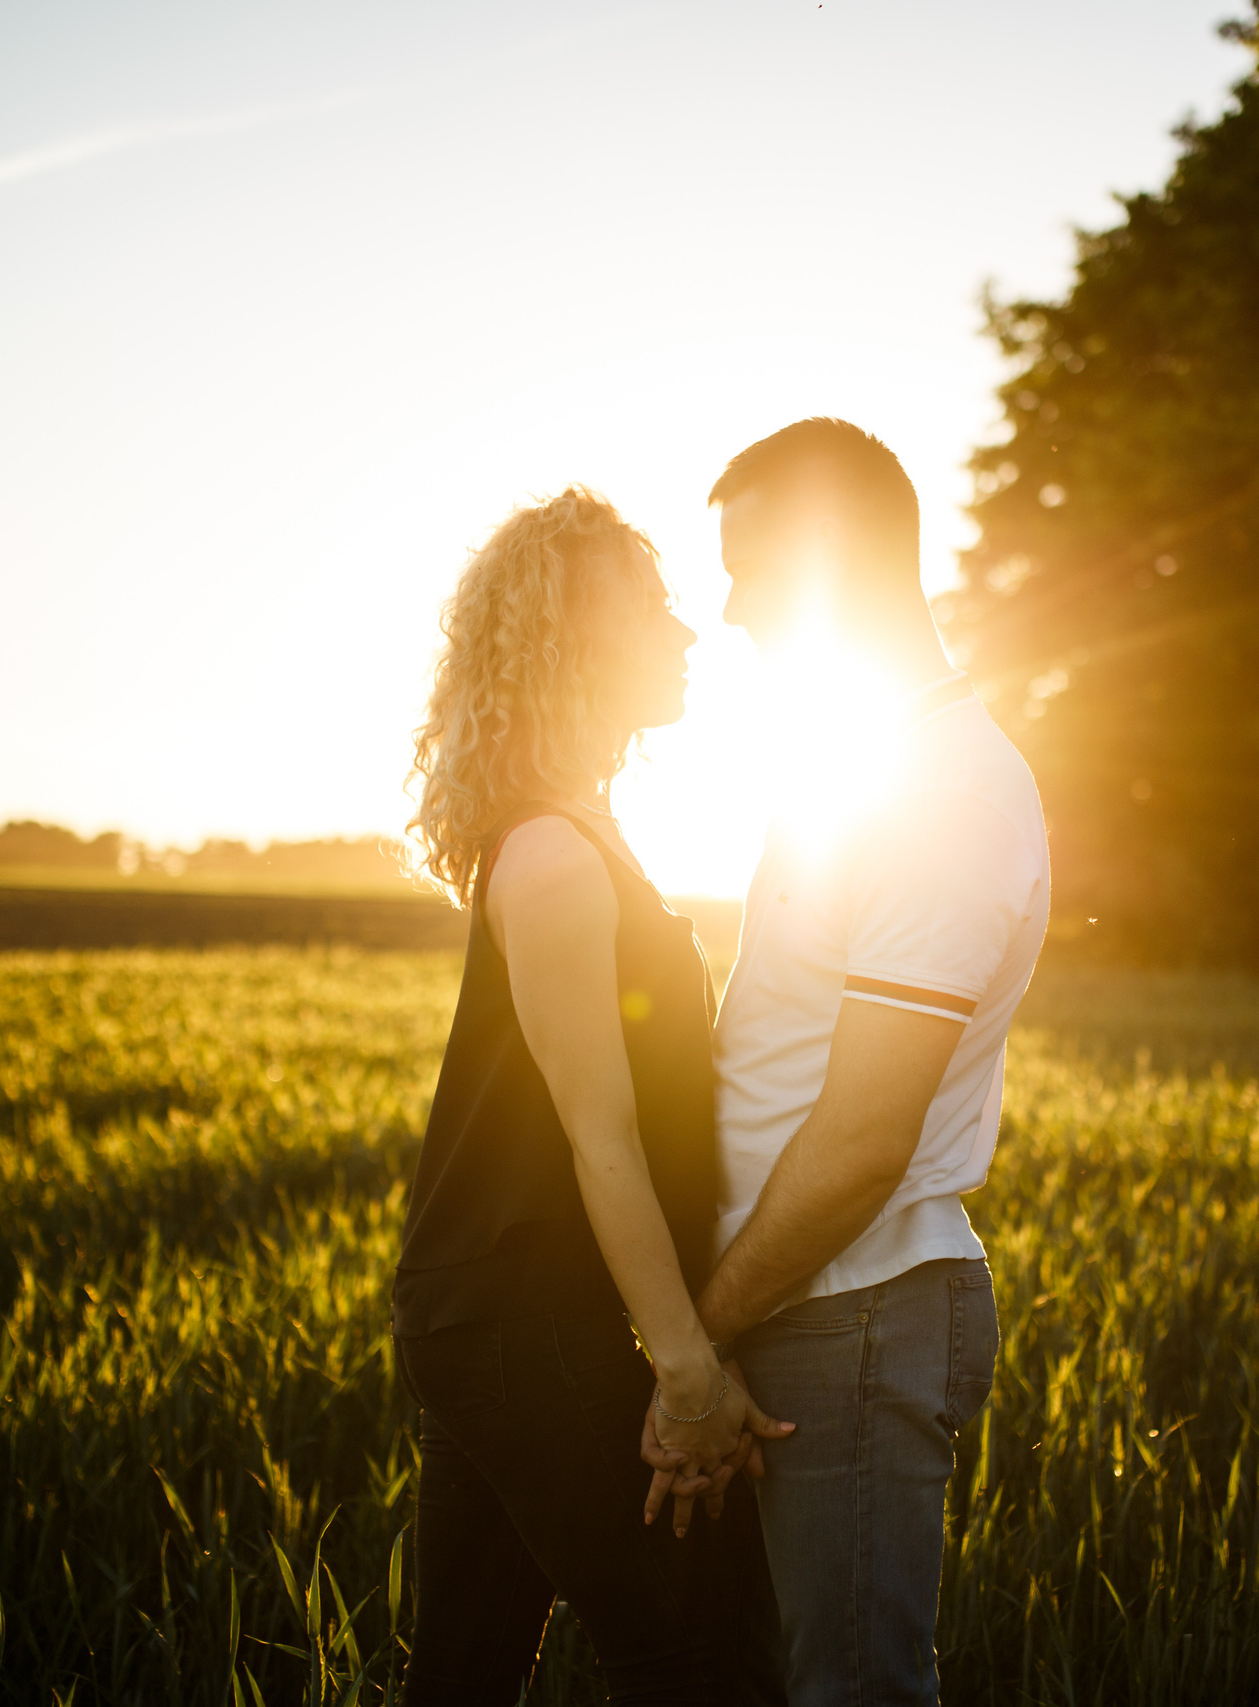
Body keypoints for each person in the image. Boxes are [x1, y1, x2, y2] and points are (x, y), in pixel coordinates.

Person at [647, 420, 1051, 1706]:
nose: (728, 607)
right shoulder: (863, 763)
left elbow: (866, 1135)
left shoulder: (944, 797)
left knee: (855, 1694)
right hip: (803, 1307)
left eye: (751, 566)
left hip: (850, 1314)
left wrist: (693, 1344)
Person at [394, 487, 787, 1704]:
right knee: (705, 1658)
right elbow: (600, 1141)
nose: (684, 634)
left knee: (461, 1676)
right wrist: (685, 1371)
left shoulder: (572, 835)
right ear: (579, 638)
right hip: (524, 1316)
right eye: (657, 609)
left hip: (483, 1318)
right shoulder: (556, 856)